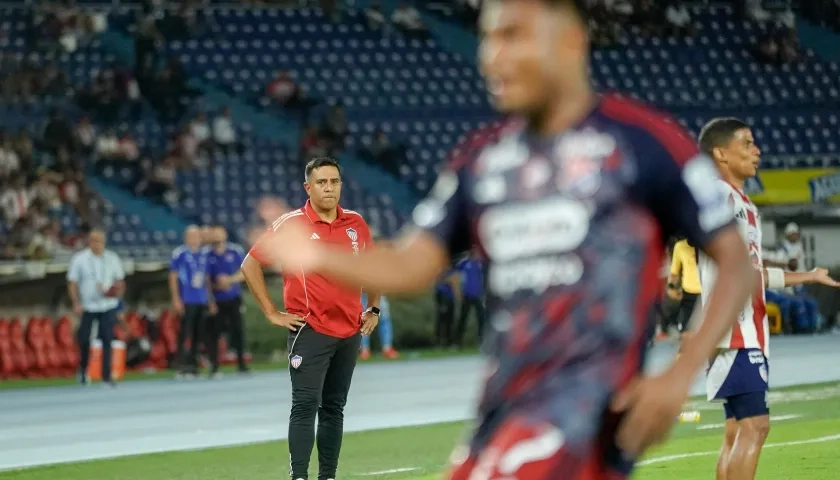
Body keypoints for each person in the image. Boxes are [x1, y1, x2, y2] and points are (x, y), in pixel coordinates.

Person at [246, 1, 762, 478]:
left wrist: (680, 375)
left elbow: (734, 261)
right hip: (499, 413)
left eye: (513, 35)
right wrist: (313, 255)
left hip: (585, 412)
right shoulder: (483, 161)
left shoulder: (642, 143)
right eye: (488, 39)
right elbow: (412, 266)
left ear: (570, 41)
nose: (493, 56)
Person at [695, 117, 840, 480]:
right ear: (721, 154)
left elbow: (751, 272)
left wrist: (806, 276)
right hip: (736, 330)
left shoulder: (740, 202)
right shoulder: (723, 199)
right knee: (756, 426)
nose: (757, 150)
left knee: (738, 429)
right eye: (747, 143)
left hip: (741, 328)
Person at [242, 157, 379, 480]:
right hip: (311, 330)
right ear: (308, 187)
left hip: (350, 330)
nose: (329, 188)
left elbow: (372, 267)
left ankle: (328, 476)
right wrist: (272, 313)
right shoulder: (292, 224)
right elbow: (250, 264)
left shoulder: (356, 223)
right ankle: (299, 476)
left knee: (334, 408)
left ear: (341, 185)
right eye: (321, 182)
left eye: (334, 181)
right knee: (305, 406)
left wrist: (373, 307)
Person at [67, 228, 126, 387]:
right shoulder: (80, 259)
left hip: (108, 305)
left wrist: (114, 292)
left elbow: (120, 282)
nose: (97, 244)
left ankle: (106, 375)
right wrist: (76, 302)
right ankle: (84, 370)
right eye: (94, 240)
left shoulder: (112, 258)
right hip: (88, 306)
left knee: (107, 339)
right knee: (84, 339)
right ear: (89, 241)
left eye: (100, 241)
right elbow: (72, 282)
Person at [169, 225, 217, 379]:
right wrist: (176, 298)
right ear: (186, 237)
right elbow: (173, 277)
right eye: (191, 236)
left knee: (199, 334)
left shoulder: (204, 254)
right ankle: (182, 366)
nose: (194, 239)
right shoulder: (180, 254)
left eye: (196, 236)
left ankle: (194, 366)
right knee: (185, 334)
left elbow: (206, 278)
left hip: (201, 299)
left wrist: (210, 299)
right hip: (186, 299)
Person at [207, 225, 249, 375]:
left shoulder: (235, 251)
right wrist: (216, 286)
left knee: (238, 330)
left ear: (225, 234)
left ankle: (241, 364)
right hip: (216, 299)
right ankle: (214, 366)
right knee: (214, 333)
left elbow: (245, 272)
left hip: (233, 297)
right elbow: (204, 279)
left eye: (219, 232)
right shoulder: (207, 255)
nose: (217, 236)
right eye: (214, 233)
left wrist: (229, 280)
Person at [666, 237, 701, 335]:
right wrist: (671, 286)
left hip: (708, 294)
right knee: (686, 330)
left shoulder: (709, 244)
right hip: (689, 295)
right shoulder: (680, 246)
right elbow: (674, 271)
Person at [453, 247, 486, 347]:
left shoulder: (480, 263)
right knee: (463, 318)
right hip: (466, 295)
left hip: (478, 295)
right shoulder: (465, 263)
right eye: (475, 252)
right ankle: (457, 342)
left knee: (481, 319)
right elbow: (455, 269)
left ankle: (482, 341)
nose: (477, 254)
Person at [359, 292, 399, 360]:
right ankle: (364, 350)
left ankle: (387, 348)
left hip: (377, 292)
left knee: (384, 319)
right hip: (363, 292)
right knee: (364, 321)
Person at [434, 268, 459, 348]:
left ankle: (449, 342)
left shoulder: (452, 271)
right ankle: (438, 342)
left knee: (450, 322)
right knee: (440, 322)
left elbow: (454, 282)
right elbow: (438, 284)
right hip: (442, 297)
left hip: (450, 299)